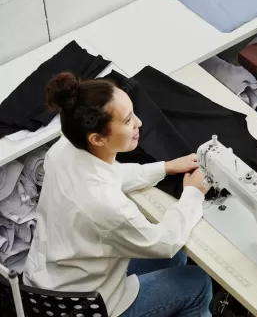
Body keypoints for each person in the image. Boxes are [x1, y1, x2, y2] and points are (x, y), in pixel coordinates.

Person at [23, 72, 214, 317]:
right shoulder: (106, 206)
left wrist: (165, 167)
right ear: (97, 138)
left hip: (43, 291)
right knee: (197, 282)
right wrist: (193, 193)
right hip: (87, 309)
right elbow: (164, 243)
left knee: (176, 259)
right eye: (127, 120)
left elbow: (108, 176)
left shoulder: (62, 150)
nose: (139, 123)